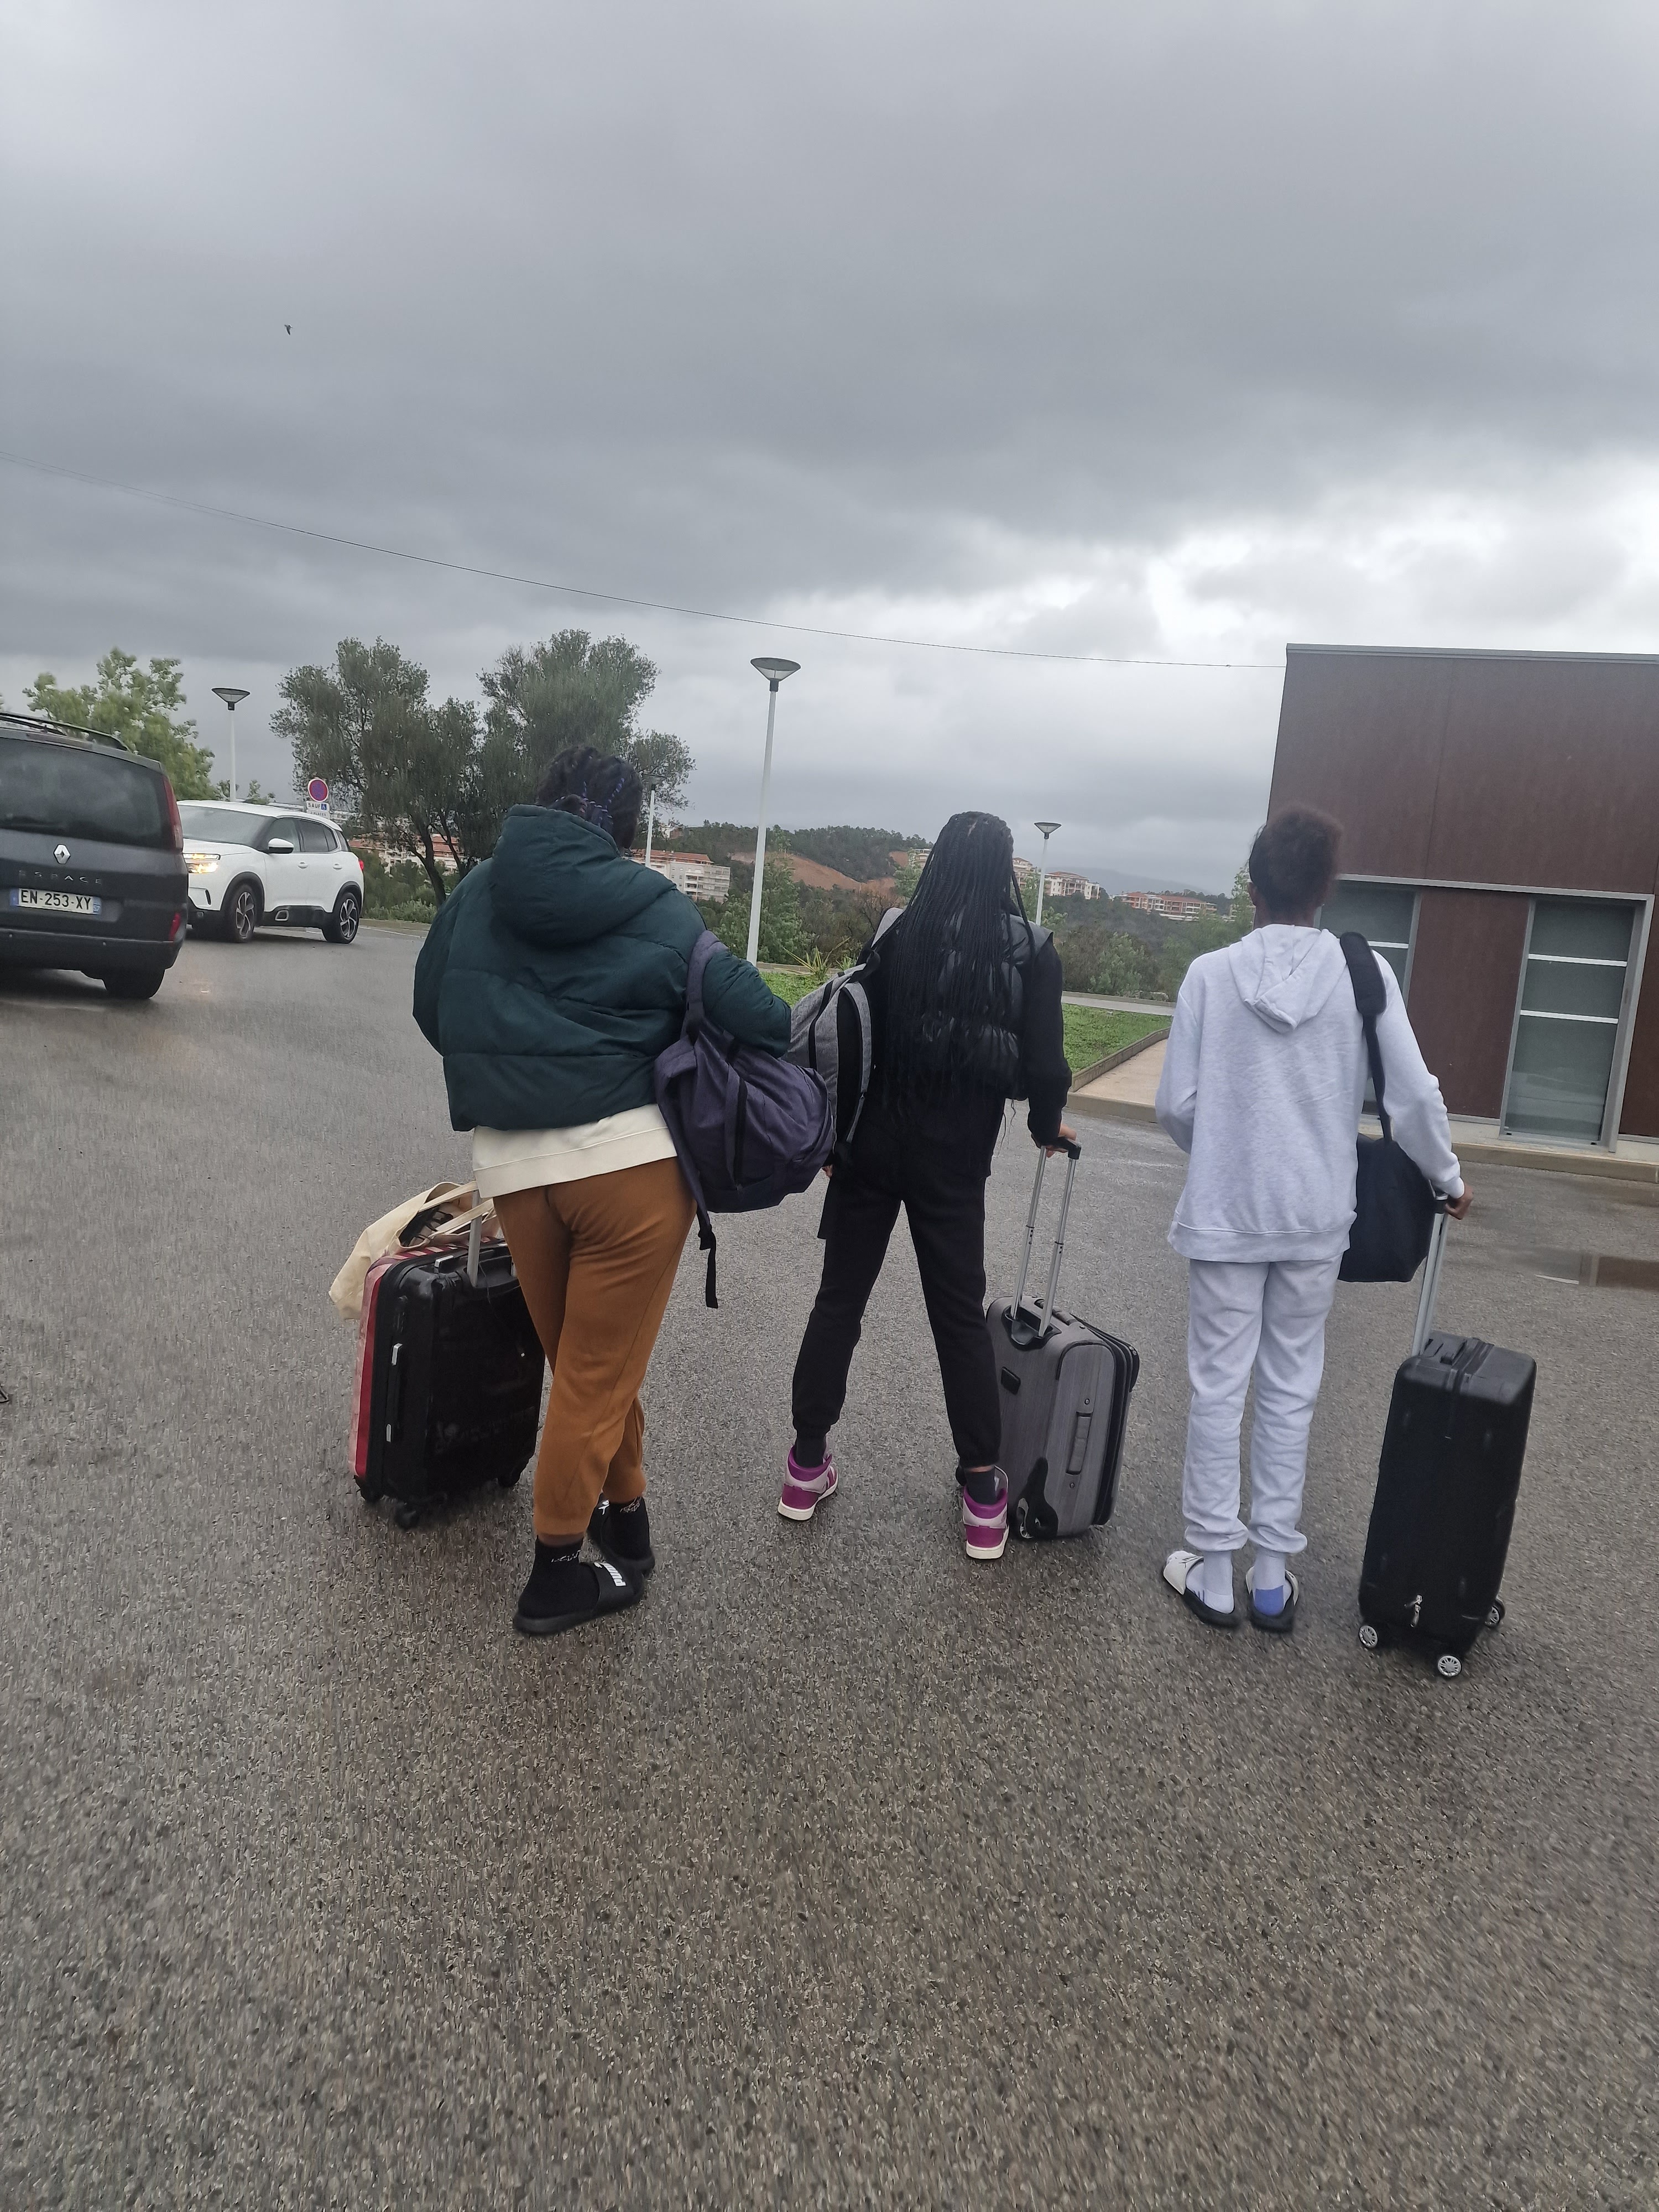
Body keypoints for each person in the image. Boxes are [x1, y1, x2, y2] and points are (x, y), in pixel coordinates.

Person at [413, 746, 789, 1638]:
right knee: (595, 1371)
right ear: (624, 828)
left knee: (586, 1363)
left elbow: (432, 1006)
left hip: (516, 1173)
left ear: (544, 801)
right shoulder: (654, 903)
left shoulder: (479, 889)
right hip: (631, 1173)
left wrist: (515, 1066)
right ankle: (554, 1575)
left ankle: (628, 1517)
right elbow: (765, 1019)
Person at [1153, 806, 1470, 1634]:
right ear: (1325, 890)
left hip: (1226, 1214)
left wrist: (1225, 1150)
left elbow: (1177, 1105)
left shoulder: (1209, 976)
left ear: (1253, 888)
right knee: (1291, 1387)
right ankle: (1270, 1579)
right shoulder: (1363, 974)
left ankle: (1212, 1576)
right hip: (1316, 1218)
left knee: (1218, 1386)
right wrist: (1448, 1178)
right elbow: (1414, 1095)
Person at [783, 810, 1074, 1560]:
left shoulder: (897, 930)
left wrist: (832, 1135)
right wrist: (1047, 1127)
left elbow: (856, 1032)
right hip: (955, 1164)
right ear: (1005, 869)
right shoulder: (1033, 950)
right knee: (957, 1317)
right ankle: (982, 1496)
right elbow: (1046, 1064)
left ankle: (805, 1466)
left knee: (839, 1300)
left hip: (872, 1148)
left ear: (938, 861)